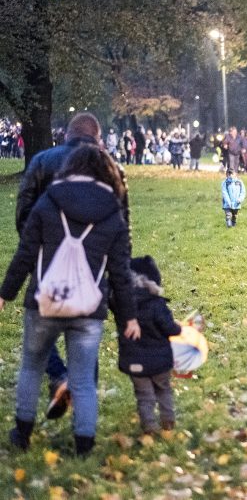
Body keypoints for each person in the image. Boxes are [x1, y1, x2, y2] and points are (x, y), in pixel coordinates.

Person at [0, 145, 140, 456]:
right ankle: (84, 445)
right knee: (83, 380)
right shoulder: (113, 210)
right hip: (89, 309)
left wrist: (4, 294)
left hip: (44, 302)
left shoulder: (48, 201)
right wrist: (128, 317)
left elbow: (25, 253)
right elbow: (120, 271)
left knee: (31, 368)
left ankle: (22, 434)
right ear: (107, 172)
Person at [14, 112, 132, 422]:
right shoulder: (110, 168)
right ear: (98, 137)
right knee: (86, 328)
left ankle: (57, 377)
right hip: (94, 263)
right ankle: (83, 407)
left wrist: (38, 249)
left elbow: (23, 212)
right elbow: (123, 225)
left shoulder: (41, 161)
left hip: (45, 260)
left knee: (37, 330)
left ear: (66, 135)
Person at [118, 255, 182, 435]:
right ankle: (168, 420)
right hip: (160, 363)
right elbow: (170, 329)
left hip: (135, 364)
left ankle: (149, 426)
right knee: (163, 390)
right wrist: (179, 328)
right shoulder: (157, 305)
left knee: (144, 396)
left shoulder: (122, 307)